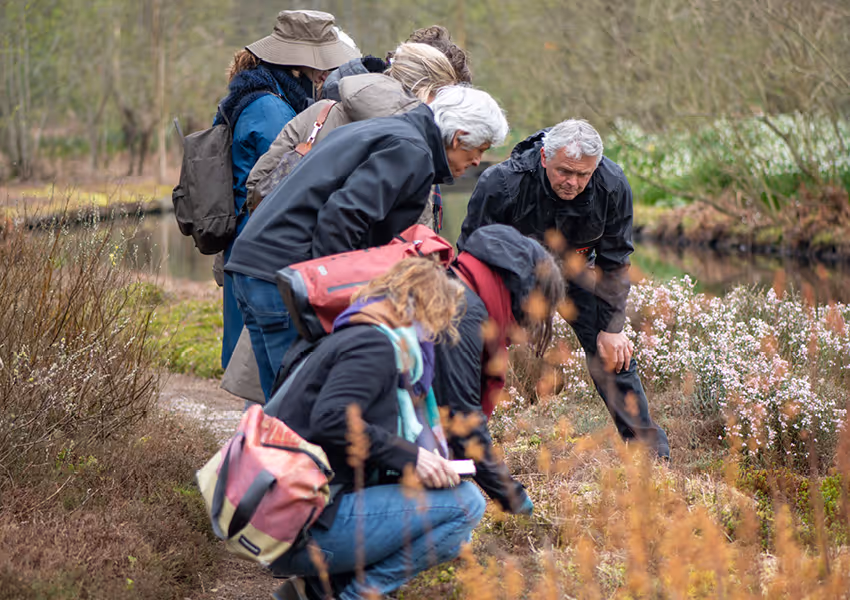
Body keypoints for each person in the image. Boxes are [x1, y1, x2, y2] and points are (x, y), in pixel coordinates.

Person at [226, 84, 509, 400]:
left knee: (279, 401)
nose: (477, 161)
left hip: (255, 264)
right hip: (282, 273)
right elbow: (342, 218)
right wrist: (334, 300)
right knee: (302, 401)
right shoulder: (410, 150)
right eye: (480, 150)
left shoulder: (391, 131)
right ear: (458, 137)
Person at [267, 258, 485, 600]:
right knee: (465, 505)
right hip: (303, 523)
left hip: (303, 513)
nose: (434, 335)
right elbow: (333, 419)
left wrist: (415, 461)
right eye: (437, 319)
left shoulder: (364, 333)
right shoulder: (374, 346)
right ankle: (354, 595)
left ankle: (315, 590)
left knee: (451, 518)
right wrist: (412, 457)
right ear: (425, 306)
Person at [458, 119, 671, 459]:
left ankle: (649, 456)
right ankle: (462, 444)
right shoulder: (502, 183)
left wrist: (612, 328)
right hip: (515, 275)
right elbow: (471, 254)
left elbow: (615, 260)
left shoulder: (612, 185)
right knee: (474, 347)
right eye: (564, 171)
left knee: (615, 354)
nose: (572, 182)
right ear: (544, 157)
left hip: (577, 273)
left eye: (583, 175)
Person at [217, 10, 359, 372]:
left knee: (262, 364)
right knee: (270, 369)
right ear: (303, 66)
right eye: (321, 68)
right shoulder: (272, 110)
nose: (325, 76)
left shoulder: (267, 96)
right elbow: (282, 186)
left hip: (251, 244)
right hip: (261, 249)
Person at [246, 37, 471, 211]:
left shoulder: (322, 111)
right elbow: (413, 242)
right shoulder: (414, 148)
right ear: (425, 92)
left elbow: (256, 186)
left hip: (282, 259)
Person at [433, 224, 564, 515]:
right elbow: (462, 426)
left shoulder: (455, 284)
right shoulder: (460, 313)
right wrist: (516, 500)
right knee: (465, 504)